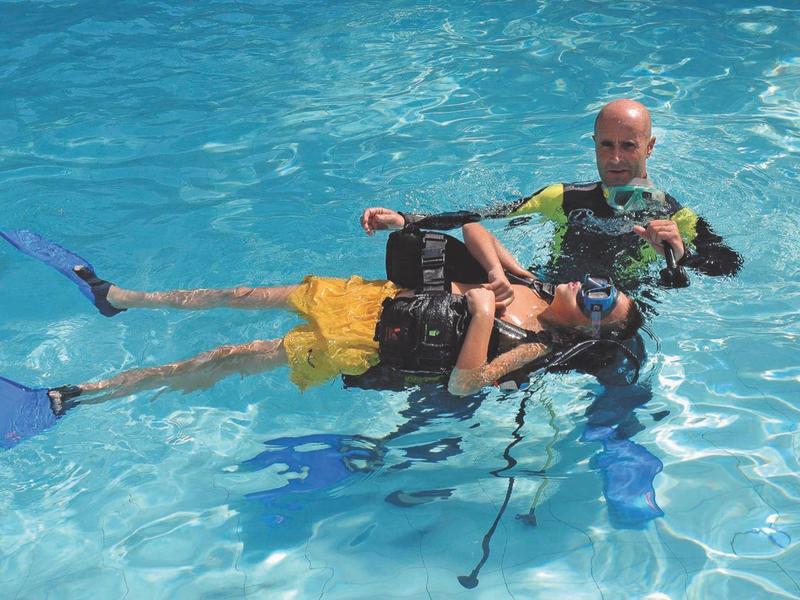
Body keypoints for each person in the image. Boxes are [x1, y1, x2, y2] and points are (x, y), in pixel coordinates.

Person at [25, 222, 641, 417]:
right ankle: (121, 297)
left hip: (361, 342)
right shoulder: (531, 281)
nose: (589, 288)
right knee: (239, 293)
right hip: (365, 296)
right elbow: (473, 225)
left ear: (586, 328)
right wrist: (491, 272)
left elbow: (464, 385)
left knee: (224, 359)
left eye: (597, 302)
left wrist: (482, 314)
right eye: (601, 287)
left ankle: (81, 394)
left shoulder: (535, 345)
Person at [360, 98, 742, 288]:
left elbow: (728, 265)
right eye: (606, 145)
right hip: (548, 293)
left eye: (628, 146)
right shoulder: (564, 197)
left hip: (620, 309)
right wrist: (406, 219)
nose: (615, 158)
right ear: (594, 144)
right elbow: (486, 215)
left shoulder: (674, 217)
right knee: (410, 246)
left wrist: (682, 254)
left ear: (650, 147)